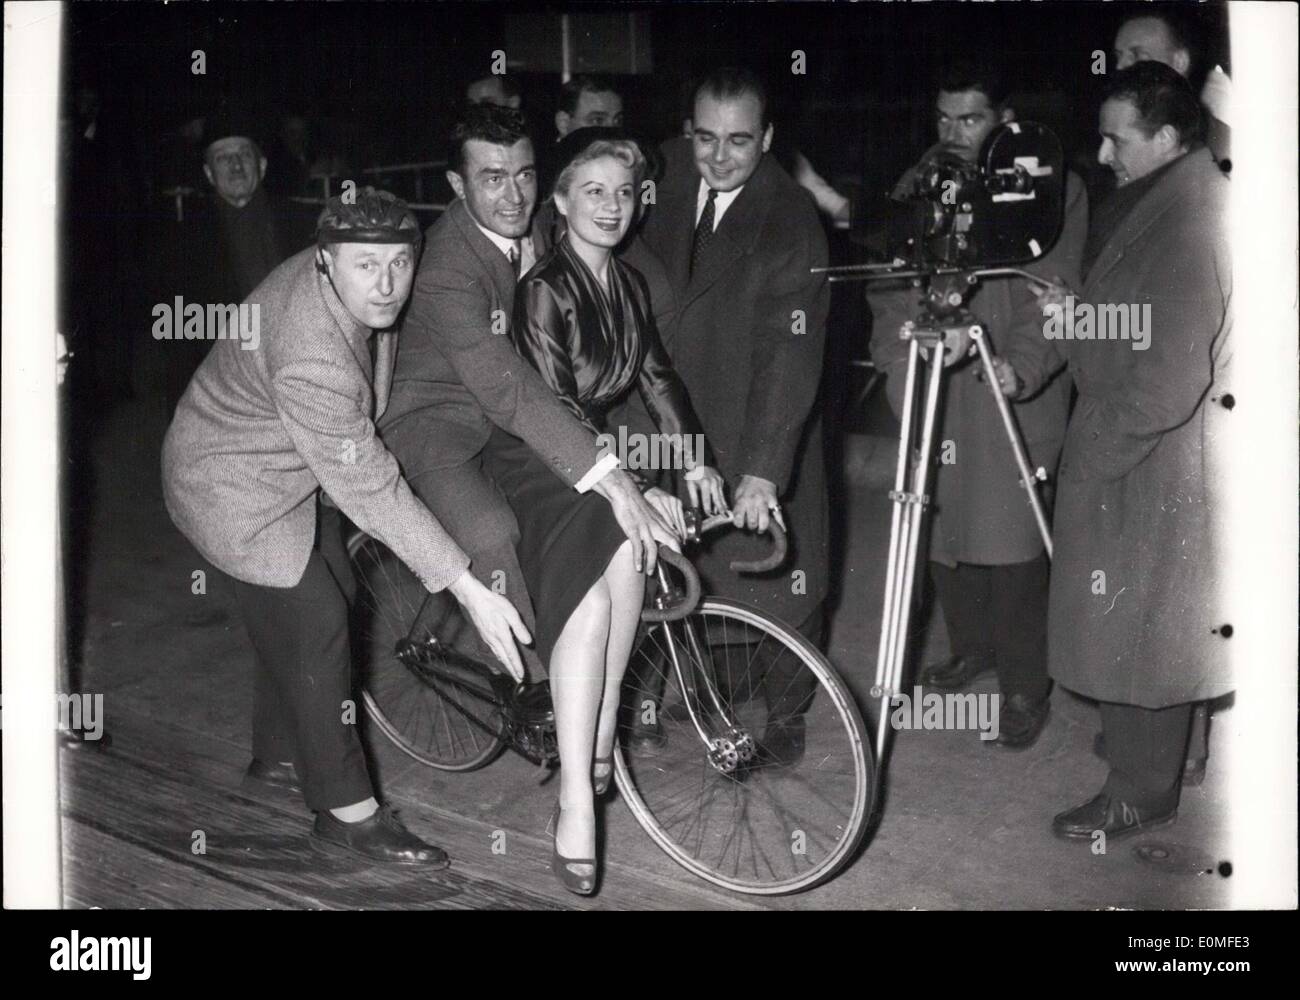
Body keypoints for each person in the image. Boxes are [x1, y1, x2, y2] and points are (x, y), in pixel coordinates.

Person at [162, 188, 531, 867]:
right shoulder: (308, 347)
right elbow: (370, 487)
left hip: (289, 467)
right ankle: (346, 815)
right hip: (229, 484)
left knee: (338, 592)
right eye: (367, 266)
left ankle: (277, 753)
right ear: (327, 262)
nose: (386, 285)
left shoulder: (337, 282)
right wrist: (469, 587)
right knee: (317, 616)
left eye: (399, 263)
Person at [495, 134, 724, 894]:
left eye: (623, 192)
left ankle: (596, 740)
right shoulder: (543, 288)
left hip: (599, 455)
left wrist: (691, 458)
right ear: (558, 203)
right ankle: (575, 801)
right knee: (590, 607)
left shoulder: (627, 283)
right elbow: (555, 405)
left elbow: (658, 378)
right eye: (592, 190)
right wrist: (628, 480)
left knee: (633, 557)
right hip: (542, 456)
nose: (610, 205)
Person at [379, 105, 676, 690]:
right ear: (457, 186)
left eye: (525, 174)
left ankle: (587, 665)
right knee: (493, 532)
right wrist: (611, 474)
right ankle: (533, 686)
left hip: (514, 420)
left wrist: (635, 470)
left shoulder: (539, 225)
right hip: (441, 427)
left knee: (583, 513)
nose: (513, 195)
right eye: (492, 178)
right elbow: (505, 384)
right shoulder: (444, 266)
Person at [867, 60, 1088, 749]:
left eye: (970, 119)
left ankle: (1025, 685)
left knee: (1014, 542)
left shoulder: (1051, 189)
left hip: (1006, 393)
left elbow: (1053, 291)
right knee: (941, 531)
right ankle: (973, 650)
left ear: (1002, 120)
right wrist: (900, 357)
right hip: (935, 387)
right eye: (943, 118)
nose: (954, 133)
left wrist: (1021, 369)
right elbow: (891, 281)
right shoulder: (921, 181)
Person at [1037, 62, 1232, 841]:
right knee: (1147, 629)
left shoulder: (1191, 219)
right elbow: (1143, 326)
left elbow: (1169, 379)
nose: (1104, 151)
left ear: (1165, 136)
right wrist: (1081, 319)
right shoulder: (1170, 197)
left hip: (1151, 456)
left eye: (1118, 137)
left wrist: (1093, 455)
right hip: (1149, 451)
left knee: (1143, 630)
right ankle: (1157, 756)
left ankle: (1140, 791)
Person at [637, 67, 831, 766]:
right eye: (706, 139)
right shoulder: (660, 176)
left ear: (769, 138)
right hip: (677, 415)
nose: (719, 158)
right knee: (674, 564)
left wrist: (762, 471)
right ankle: (668, 689)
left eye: (740, 142)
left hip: (758, 419)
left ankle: (787, 715)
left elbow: (792, 350)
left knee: (783, 587)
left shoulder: (791, 221)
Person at [155, 109, 315, 412]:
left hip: (298, 376)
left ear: (263, 165)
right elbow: (179, 339)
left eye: (244, 153)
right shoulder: (184, 241)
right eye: (222, 158)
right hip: (229, 388)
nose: (236, 164)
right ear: (208, 174)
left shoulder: (299, 223)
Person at [1112, 8, 1232, 164]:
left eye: (1137, 55)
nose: (1120, 67)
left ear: (1179, 62)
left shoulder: (1214, 139)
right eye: (1119, 56)